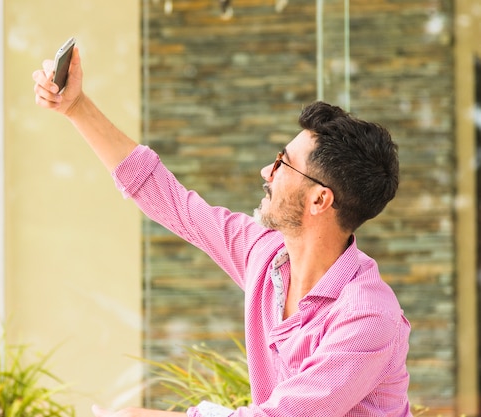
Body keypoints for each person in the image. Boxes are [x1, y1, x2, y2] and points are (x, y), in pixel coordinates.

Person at [32, 46, 412, 417]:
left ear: (319, 200)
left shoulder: (367, 315)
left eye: (283, 164)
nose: (267, 171)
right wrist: (77, 108)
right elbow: (169, 199)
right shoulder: (265, 256)